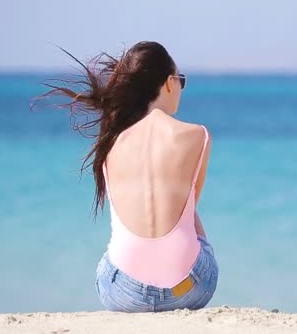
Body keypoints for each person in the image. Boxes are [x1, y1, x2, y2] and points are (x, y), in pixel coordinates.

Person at [35, 41, 218, 312]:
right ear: (169, 83)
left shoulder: (110, 142)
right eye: (181, 80)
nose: (181, 87)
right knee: (196, 233)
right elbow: (189, 213)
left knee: (110, 260)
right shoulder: (197, 136)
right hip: (189, 289)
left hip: (123, 292)